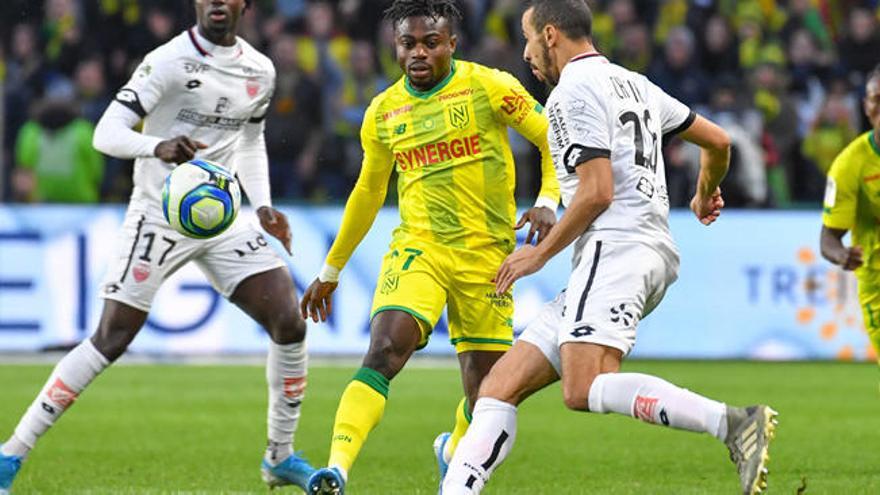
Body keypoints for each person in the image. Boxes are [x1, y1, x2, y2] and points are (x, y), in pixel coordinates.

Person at [441, 2, 778, 494]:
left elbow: (597, 190)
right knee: (498, 387)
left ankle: (732, 423)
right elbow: (719, 141)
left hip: (615, 248)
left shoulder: (570, 92)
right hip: (641, 249)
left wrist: (538, 255)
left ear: (550, 35)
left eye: (528, 38)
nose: (526, 53)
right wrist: (705, 192)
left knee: (582, 388)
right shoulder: (634, 83)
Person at [0, 1, 315, 493]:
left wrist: (263, 206)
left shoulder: (260, 70)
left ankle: (280, 456)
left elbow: (251, 141)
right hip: (158, 214)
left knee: (290, 322)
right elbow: (106, 132)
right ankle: (11, 454)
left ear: (245, 5)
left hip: (220, 217)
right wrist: (157, 145)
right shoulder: (167, 61)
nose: (216, 2)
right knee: (111, 337)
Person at [299, 1, 560, 493]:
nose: (418, 52)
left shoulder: (489, 87)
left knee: (488, 396)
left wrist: (547, 200)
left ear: (451, 45)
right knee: (385, 349)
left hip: (488, 258)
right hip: (420, 248)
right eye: (408, 44)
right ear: (395, 48)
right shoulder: (383, 112)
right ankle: (337, 469)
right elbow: (368, 192)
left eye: (430, 43)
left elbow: (552, 138)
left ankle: (453, 453)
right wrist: (330, 271)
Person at [820, 63, 880, 376]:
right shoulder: (849, 165)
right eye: (876, 99)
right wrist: (842, 255)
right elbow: (828, 238)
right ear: (866, 106)